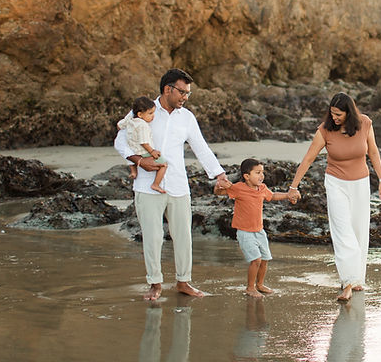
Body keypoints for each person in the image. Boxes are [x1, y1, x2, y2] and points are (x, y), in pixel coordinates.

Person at [115, 68, 232, 301]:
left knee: (183, 236)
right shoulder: (144, 110)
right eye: (182, 92)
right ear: (167, 89)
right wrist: (139, 161)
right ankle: (155, 284)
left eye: (188, 94)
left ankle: (183, 281)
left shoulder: (187, 117)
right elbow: (120, 141)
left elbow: (201, 147)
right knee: (153, 236)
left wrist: (219, 174)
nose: (185, 97)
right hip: (147, 185)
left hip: (178, 184)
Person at [288, 92, 381, 302]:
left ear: (349, 113)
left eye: (339, 114)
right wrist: (293, 186)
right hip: (335, 184)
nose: (334, 118)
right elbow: (308, 159)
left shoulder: (365, 124)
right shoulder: (325, 130)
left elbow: (374, 153)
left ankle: (357, 279)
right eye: (332, 113)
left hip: (360, 183)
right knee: (342, 231)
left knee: (359, 230)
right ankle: (347, 282)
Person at [214, 158, 290, 298]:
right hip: (245, 232)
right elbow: (220, 193)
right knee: (256, 260)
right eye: (257, 173)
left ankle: (260, 284)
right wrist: (218, 186)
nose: (262, 176)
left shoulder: (262, 188)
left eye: (262, 172)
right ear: (246, 176)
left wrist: (287, 195)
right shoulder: (238, 188)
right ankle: (250, 287)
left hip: (259, 231)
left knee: (265, 259)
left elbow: (272, 196)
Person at [117, 96, 168, 193]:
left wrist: (120, 127)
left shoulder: (131, 121)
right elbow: (144, 142)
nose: (153, 116)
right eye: (150, 113)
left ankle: (133, 171)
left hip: (133, 149)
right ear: (140, 114)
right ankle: (156, 184)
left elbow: (120, 125)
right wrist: (152, 151)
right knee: (164, 165)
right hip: (143, 151)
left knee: (130, 157)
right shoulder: (143, 125)